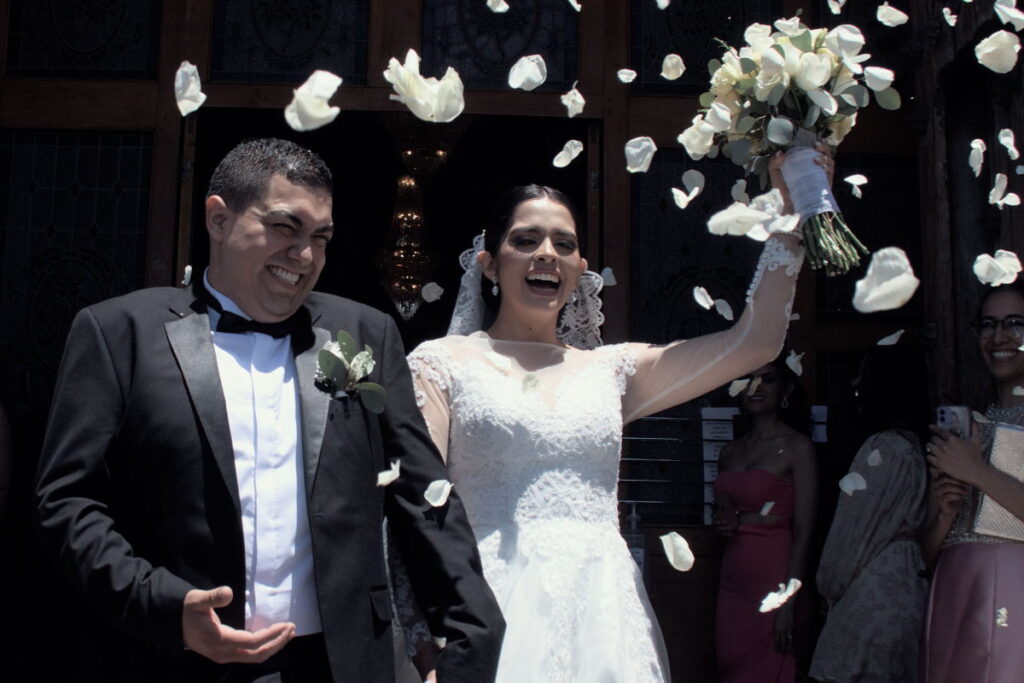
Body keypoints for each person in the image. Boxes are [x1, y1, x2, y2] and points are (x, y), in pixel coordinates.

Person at [34, 138, 504, 682]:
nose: (304, 256)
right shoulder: (118, 333)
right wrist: (163, 605)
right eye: (285, 228)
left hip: (340, 662)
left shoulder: (364, 332)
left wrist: (474, 631)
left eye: (320, 238)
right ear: (218, 217)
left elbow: (423, 495)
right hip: (172, 659)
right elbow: (66, 500)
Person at [402, 148, 825, 682]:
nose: (547, 254)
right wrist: (426, 646)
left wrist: (790, 208)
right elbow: (414, 510)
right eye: (525, 240)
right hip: (487, 608)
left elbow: (756, 342)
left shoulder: (613, 371)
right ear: (489, 262)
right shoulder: (442, 364)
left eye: (565, 244)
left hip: (602, 620)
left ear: (581, 270)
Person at [809, 342, 930, 682]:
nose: (854, 385)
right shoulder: (917, 447)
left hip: (871, 596)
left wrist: (827, 586)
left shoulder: (883, 448)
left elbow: (853, 531)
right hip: (908, 591)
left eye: (862, 375)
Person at [922, 281, 1024, 682]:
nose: (998, 337)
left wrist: (977, 471)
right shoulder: (968, 427)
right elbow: (926, 555)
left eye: (1015, 323)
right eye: (988, 324)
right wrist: (945, 514)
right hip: (953, 586)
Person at [713, 355, 816, 683]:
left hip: (775, 576)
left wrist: (787, 602)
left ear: (785, 390)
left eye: (767, 379)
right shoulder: (729, 452)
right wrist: (724, 519)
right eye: (748, 379)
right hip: (732, 579)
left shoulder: (799, 448)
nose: (756, 387)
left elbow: (805, 530)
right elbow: (724, 511)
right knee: (732, 665)